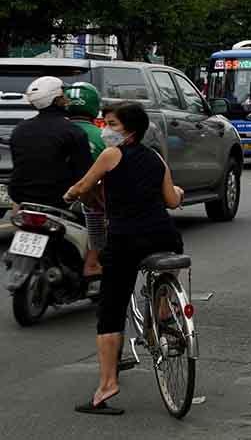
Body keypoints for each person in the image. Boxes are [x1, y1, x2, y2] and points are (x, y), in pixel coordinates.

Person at [64, 101, 184, 416]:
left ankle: (107, 385)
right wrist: (180, 194)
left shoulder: (110, 155)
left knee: (111, 310)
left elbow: (82, 187)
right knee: (162, 266)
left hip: (126, 241)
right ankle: (162, 313)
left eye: (112, 124)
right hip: (163, 236)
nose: (105, 129)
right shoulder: (157, 159)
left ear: (129, 130)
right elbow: (171, 201)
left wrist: (70, 194)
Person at [9, 76, 92, 210]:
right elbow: (85, 173)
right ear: (57, 100)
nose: (67, 99)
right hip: (60, 201)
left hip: (21, 198)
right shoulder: (73, 131)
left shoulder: (19, 129)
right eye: (63, 95)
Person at [64, 82, 107, 280]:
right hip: (81, 198)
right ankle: (93, 262)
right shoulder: (101, 136)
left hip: (41, 194)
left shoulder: (54, 129)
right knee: (103, 218)